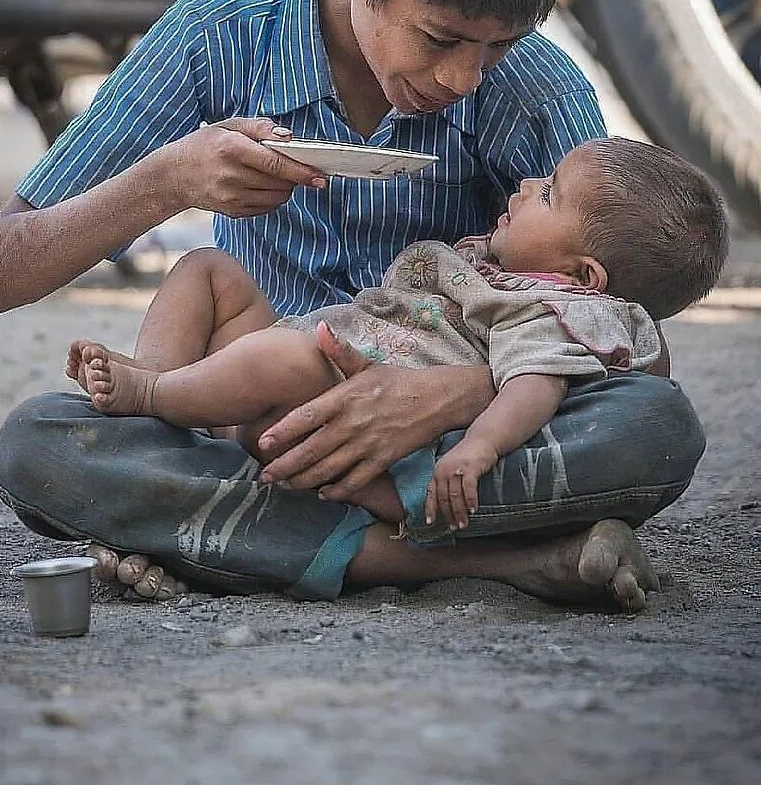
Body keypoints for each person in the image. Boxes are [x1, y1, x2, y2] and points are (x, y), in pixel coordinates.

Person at [0, 0, 709, 612]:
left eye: (501, 45)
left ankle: (234, 540)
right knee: (38, 447)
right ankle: (502, 561)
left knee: (659, 426)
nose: (466, 78)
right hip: (261, 431)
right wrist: (168, 180)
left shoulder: (530, 91)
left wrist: (463, 394)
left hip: (442, 446)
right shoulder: (219, 36)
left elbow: (629, 338)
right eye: (443, 39)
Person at [69, 138, 727, 544]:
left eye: (548, 194)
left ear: (583, 277)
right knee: (206, 271)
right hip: (314, 363)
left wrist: (476, 449)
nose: (526, 186)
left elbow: (538, 382)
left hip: (344, 391)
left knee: (284, 358)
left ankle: (150, 392)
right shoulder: (505, 266)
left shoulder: (546, 309)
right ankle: (158, 408)